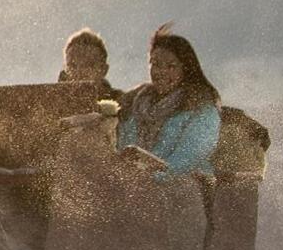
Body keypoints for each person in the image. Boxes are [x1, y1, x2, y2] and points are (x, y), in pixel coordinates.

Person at [116, 26, 221, 178]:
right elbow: (121, 149)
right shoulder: (134, 104)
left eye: (171, 66)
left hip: (183, 186)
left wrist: (152, 177)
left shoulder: (201, 108)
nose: (161, 72)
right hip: (132, 185)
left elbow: (188, 158)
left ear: (186, 69)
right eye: (156, 64)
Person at [59, 27, 119, 100]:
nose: (79, 71)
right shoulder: (52, 104)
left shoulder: (123, 105)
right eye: (73, 65)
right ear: (65, 69)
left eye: (88, 65)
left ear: (103, 70)